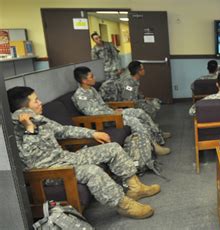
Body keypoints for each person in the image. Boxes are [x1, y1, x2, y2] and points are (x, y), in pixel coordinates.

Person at [7, 86, 161, 219]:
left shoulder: (39, 119)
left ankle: (135, 188)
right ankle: (124, 205)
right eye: (36, 100)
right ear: (23, 110)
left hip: (65, 158)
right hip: (50, 172)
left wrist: (92, 133)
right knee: (91, 171)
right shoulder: (14, 132)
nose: (40, 103)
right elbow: (30, 160)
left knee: (112, 148)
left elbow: (63, 130)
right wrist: (29, 129)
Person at [71, 66, 171, 156]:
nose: (94, 78)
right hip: (103, 120)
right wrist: (113, 113)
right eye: (91, 76)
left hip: (110, 114)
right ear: (84, 80)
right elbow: (92, 114)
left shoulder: (91, 89)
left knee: (139, 112)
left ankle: (158, 135)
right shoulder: (80, 95)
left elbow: (102, 105)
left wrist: (114, 109)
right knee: (134, 121)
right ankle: (154, 146)